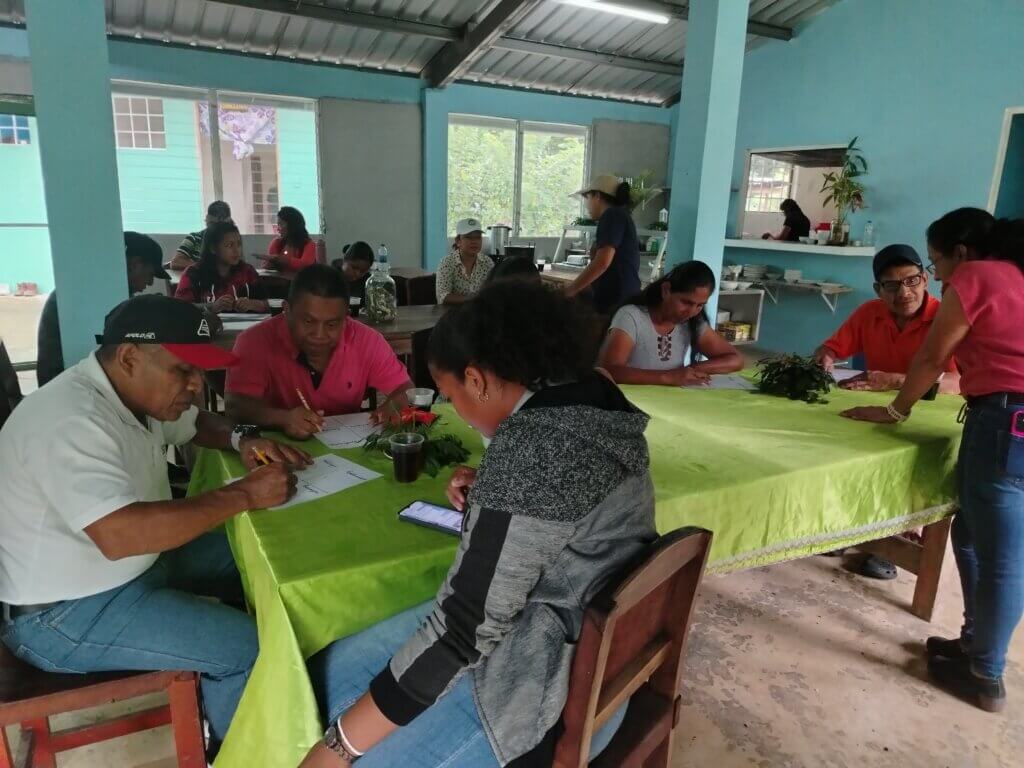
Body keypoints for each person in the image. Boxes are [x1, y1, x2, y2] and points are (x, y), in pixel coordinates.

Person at [300, 279, 656, 768]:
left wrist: (337, 748)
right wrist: (493, 490)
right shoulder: (593, 394)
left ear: (477, 379)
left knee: (348, 739)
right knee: (324, 676)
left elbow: (461, 631)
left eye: (450, 396)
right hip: (599, 649)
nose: (460, 415)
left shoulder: (533, 452)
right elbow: (560, 504)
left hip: (548, 693)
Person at [0, 294, 310, 755]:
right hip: (63, 613)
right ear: (129, 357)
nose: (195, 385)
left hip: (134, 568)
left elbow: (195, 422)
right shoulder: (70, 419)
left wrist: (243, 437)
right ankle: (240, 753)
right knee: (248, 647)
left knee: (264, 551)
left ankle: (277, 693)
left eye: (200, 372)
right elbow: (122, 535)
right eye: (183, 371)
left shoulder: (132, 394)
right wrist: (244, 492)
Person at [842, 208, 1023, 714]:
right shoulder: (1016, 273)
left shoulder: (978, 277)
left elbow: (931, 357)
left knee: (1003, 556)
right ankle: (972, 644)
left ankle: (985, 674)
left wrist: (895, 411)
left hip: (1007, 418)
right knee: (967, 531)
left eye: (935, 263)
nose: (937, 274)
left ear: (960, 254)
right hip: (1003, 416)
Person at [225, 264, 413, 438]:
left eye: (332, 324)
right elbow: (236, 405)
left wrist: (396, 404)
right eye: (308, 321)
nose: (319, 335)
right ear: (286, 310)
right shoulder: (254, 341)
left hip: (347, 449)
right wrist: (282, 418)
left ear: (346, 317)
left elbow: (405, 389)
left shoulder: (366, 340)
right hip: (274, 450)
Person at [815, 244, 960, 393]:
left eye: (911, 281)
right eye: (892, 285)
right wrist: (826, 356)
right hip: (874, 404)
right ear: (878, 290)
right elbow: (829, 349)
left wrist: (895, 381)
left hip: (934, 409)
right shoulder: (868, 313)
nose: (904, 293)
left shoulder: (947, 318)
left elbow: (959, 382)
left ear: (924, 280)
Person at [36, 232, 169, 388]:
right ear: (135, 265)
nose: (150, 282)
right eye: (150, 274)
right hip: (66, 385)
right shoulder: (101, 293)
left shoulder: (94, 283)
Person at [599, 261, 743, 386]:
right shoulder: (631, 316)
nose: (692, 311)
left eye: (700, 305)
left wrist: (693, 370)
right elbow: (611, 370)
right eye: (686, 302)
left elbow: (735, 360)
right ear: (666, 290)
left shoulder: (692, 322)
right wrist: (669, 376)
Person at [564, 174, 640, 315]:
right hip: (622, 298)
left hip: (616, 301)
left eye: (587, 198)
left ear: (597, 196)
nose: (586, 205)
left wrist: (571, 290)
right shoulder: (620, 215)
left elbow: (602, 262)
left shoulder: (611, 215)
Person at [174, 220, 267, 314]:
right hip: (208, 327)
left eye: (238, 244)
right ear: (213, 248)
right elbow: (180, 308)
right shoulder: (193, 273)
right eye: (229, 245)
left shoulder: (247, 271)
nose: (236, 250)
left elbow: (270, 304)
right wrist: (212, 307)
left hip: (247, 327)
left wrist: (255, 304)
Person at [435, 217, 493, 305]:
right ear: (458, 241)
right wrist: (473, 299)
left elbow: (493, 291)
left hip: (480, 314)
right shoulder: (447, 263)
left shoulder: (487, 262)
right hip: (453, 315)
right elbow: (442, 296)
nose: (474, 242)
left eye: (478, 237)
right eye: (469, 237)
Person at [170, 200, 232, 270]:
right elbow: (175, 262)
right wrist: (204, 266)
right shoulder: (194, 238)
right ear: (208, 221)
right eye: (211, 224)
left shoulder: (231, 241)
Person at [264, 206, 316, 272]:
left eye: (281, 224)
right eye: (278, 224)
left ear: (293, 225)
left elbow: (306, 266)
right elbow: (270, 263)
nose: (278, 229)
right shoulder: (276, 243)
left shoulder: (309, 245)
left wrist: (283, 260)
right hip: (279, 281)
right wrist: (269, 264)